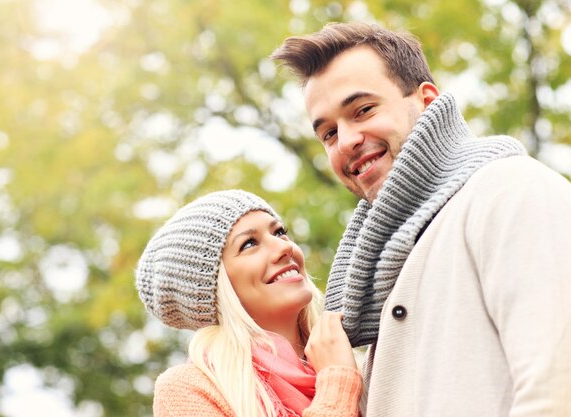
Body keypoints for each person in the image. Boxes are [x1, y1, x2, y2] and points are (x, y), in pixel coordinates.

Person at [271, 22, 571, 417]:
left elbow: (556, 386)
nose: (346, 141)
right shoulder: (390, 261)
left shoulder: (510, 190)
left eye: (363, 110)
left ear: (428, 101)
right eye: (328, 133)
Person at [135, 189, 363, 417]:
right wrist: (337, 384)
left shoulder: (359, 358)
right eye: (249, 244)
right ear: (214, 289)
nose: (284, 247)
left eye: (279, 232)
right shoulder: (189, 389)